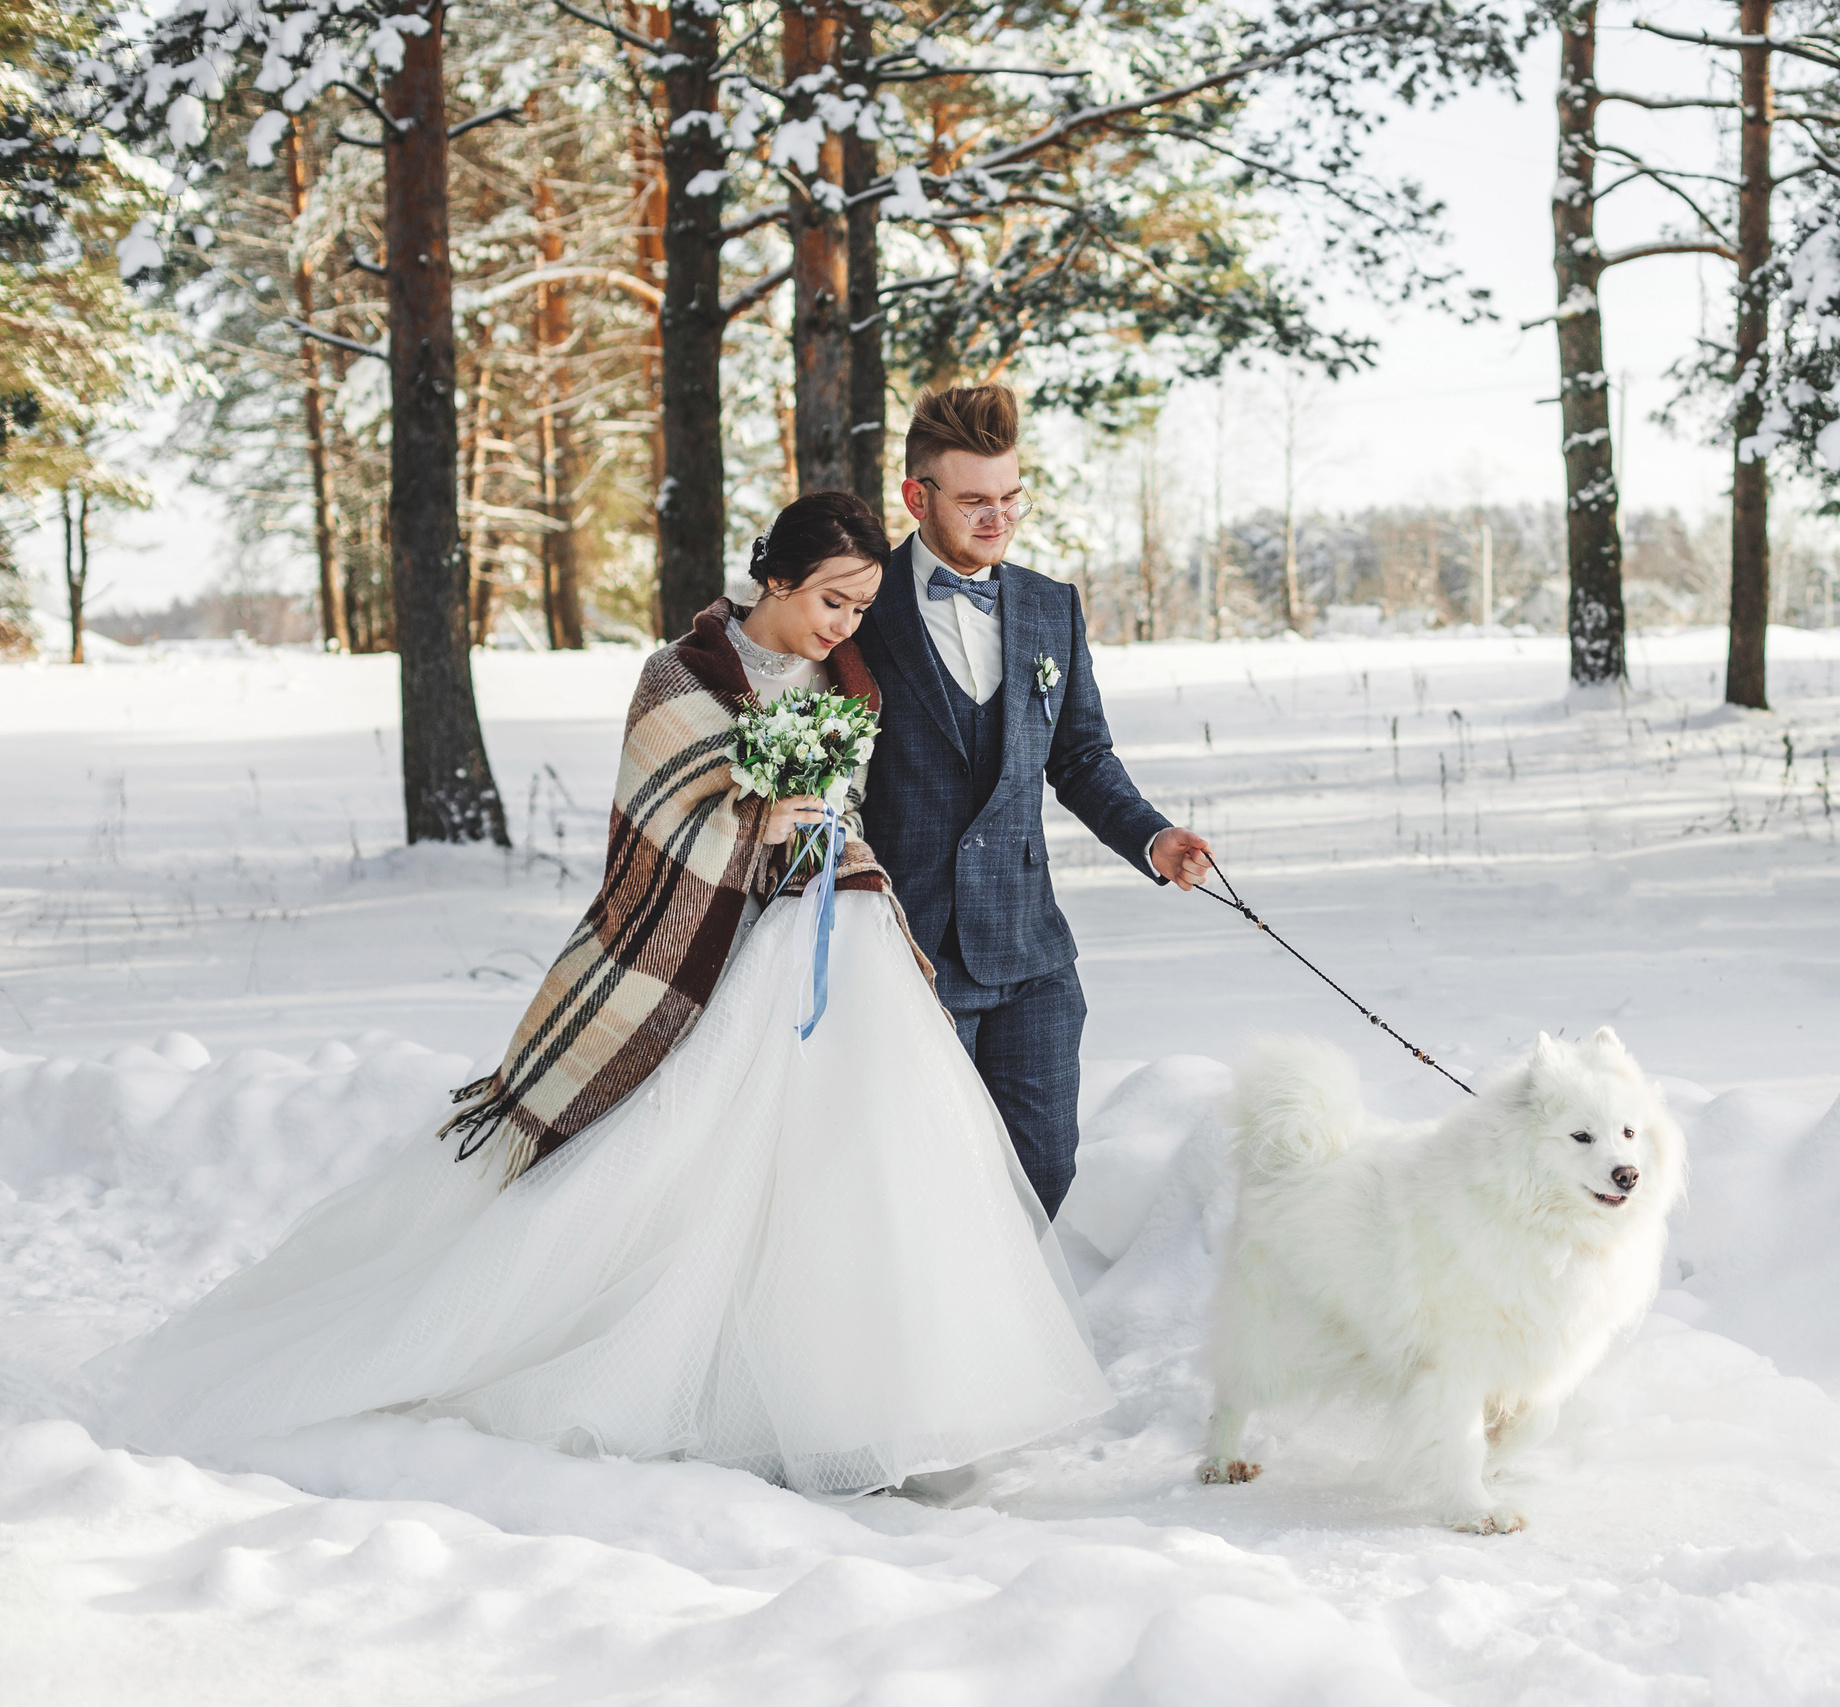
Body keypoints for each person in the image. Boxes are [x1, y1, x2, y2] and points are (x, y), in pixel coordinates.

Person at [91, 492, 1114, 1498]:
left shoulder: (847, 683)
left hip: (824, 945)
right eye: (831, 600)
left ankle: (858, 1401)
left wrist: (833, 849)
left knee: (849, 1163)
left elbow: (856, 806)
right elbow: (653, 824)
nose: (846, 625)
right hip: (700, 955)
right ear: (774, 578)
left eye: (860, 607)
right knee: (680, 1161)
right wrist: (752, 823)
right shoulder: (680, 677)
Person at [859, 383, 1213, 1219]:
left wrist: (1152, 837)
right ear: (917, 497)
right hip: (908, 949)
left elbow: (1081, 756)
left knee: (1043, 1174)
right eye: (975, 502)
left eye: (1011, 497)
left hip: (1031, 953)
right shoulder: (863, 606)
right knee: (930, 1185)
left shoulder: (1053, 607)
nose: (999, 519)